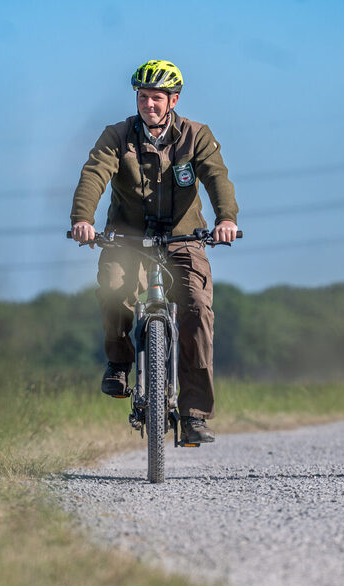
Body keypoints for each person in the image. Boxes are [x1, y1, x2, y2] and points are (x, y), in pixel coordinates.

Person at [70, 59, 239, 444]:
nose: (149, 104)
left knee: (196, 308)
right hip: (127, 237)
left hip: (183, 238)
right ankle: (118, 362)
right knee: (114, 289)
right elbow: (94, 173)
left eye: (157, 98)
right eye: (143, 97)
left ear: (173, 100)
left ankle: (195, 414)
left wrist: (225, 219)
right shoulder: (117, 135)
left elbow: (217, 177)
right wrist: (83, 218)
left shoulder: (196, 136)